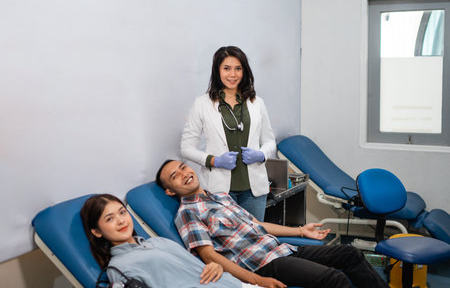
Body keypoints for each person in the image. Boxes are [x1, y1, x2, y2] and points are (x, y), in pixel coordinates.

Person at [156, 160, 390, 288]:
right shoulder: (187, 212)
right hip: (264, 264)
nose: (184, 174)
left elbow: (257, 224)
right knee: (334, 279)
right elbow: (209, 257)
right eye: (175, 176)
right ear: (169, 190)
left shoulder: (220, 196)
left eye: (183, 167)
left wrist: (300, 230)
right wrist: (257, 280)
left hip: (283, 249)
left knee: (350, 254)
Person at [80, 193, 261, 288]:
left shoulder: (158, 242)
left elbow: (196, 270)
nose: (121, 220)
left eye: (122, 212)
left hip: (234, 284)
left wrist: (216, 266)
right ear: (97, 232)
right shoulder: (119, 267)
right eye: (109, 218)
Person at [180, 46, 276, 221]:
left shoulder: (257, 103)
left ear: (244, 71)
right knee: (228, 243)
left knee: (256, 240)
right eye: (226, 68)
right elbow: (186, 148)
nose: (233, 74)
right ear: (217, 71)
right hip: (219, 189)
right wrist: (214, 160)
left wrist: (261, 154)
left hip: (253, 190)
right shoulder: (202, 104)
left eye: (238, 68)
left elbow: (270, 141)